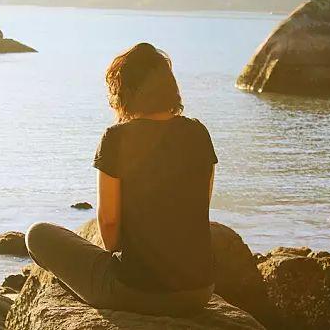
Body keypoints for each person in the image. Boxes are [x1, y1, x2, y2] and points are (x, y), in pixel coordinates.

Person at [25, 42, 218, 316]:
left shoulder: (116, 139)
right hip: (199, 291)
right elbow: (201, 205)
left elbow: (111, 230)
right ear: (169, 87)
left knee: (37, 234)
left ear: (123, 91)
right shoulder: (199, 133)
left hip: (137, 291)